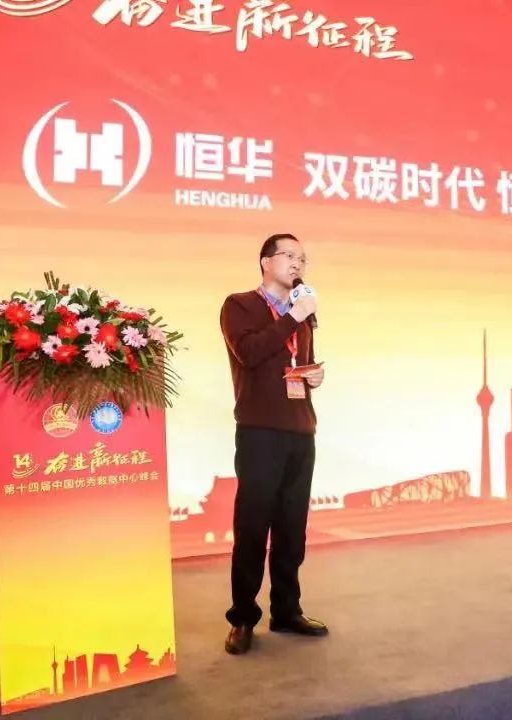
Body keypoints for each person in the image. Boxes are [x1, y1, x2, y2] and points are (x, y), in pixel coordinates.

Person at [218, 232, 328, 656]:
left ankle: (286, 610)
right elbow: (250, 352)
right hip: (260, 431)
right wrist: (293, 316)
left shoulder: (304, 315)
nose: (298, 263)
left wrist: (313, 375)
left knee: (291, 529)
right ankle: (243, 617)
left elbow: (297, 364)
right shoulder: (239, 305)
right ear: (266, 261)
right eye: (289, 255)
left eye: (303, 258)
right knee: (252, 527)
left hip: (301, 430)